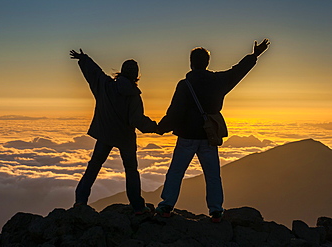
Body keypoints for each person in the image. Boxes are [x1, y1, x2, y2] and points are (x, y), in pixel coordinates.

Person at [155, 39, 270, 222]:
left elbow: (175, 112)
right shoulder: (218, 81)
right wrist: (255, 55)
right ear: (207, 63)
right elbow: (237, 71)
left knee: (176, 172)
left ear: (191, 62)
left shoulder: (185, 85)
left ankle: (166, 206)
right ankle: (216, 211)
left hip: (187, 137)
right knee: (212, 175)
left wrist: (160, 128)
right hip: (209, 136)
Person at [70, 49, 157, 214]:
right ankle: (138, 207)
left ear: (121, 72)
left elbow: (94, 73)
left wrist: (84, 58)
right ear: (136, 76)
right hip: (125, 138)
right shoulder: (133, 96)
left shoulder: (105, 86)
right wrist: (156, 128)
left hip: (105, 134)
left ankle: (80, 201)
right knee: (131, 170)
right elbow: (137, 120)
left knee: (94, 166)